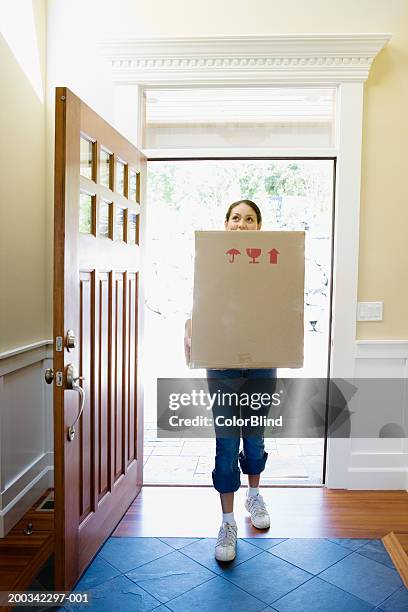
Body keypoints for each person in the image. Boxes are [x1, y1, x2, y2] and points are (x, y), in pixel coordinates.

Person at [184, 200, 277, 562]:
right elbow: (199, 304)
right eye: (236, 218)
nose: (241, 224)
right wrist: (190, 327)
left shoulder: (272, 266)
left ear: (259, 226)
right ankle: (227, 522)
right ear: (226, 223)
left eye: (249, 219)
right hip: (221, 365)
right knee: (226, 444)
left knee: (254, 438)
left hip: (262, 363)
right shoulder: (210, 264)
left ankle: (254, 495)